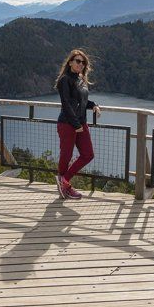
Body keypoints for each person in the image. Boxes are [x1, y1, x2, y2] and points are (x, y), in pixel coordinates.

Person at [54, 49, 101, 200]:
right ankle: (65, 185)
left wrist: (94, 105)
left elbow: (82, 101)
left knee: (88, 154)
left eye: (83, 62)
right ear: (70, 62)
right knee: (66, 156)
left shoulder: (81, 80)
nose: (81, 64)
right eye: (78, 61)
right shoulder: (65, 80)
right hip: (68, 124)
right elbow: (66, 104)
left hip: (81, 124)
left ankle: (64, 180)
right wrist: (75, 124)